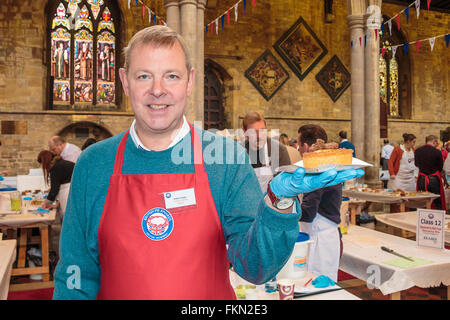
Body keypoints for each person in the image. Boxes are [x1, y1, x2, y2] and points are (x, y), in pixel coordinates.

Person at [52, 26, 363, 300]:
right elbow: (75, 272)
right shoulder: (95, 164)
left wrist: (279, 203)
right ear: (124, 81)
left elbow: (256, 267)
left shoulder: (226, 159)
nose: (157, 89)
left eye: (171, 76)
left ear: (189, 82)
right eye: (144, 76)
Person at [297, 124, 343, 282]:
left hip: (320, 240)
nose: (298, 150)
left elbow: (308, 212)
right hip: (319, 234)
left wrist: (285, 211)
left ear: (305, 146)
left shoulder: (319, 168)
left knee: (318, 288)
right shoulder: (326, 164)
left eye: (298, 146)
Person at [242, 111, 291, 192]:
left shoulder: (279, 150)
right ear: (245, 131)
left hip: (272, 201)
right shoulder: (239, 152)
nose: (259, 136)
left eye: (262, 130)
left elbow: (286, 182)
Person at [37, 150, 75, 219]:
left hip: (70, 191)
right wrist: (56, 205)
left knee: (68, 218)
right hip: (70, 191)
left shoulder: (56, 167)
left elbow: (54, 189)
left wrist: (45, 203)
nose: (41, 166)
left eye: (41, 163)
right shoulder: (60, 163)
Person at [415, 135, 446, 210]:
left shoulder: (418, 150)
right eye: (436, 143)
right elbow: (440, 167)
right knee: (437, 201)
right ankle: (437, 219)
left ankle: (422, 219)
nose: (437, 145)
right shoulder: (437, 152)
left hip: (422, 179)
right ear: (433, 141)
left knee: (422, 202)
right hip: (433, 180)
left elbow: (416, 164)